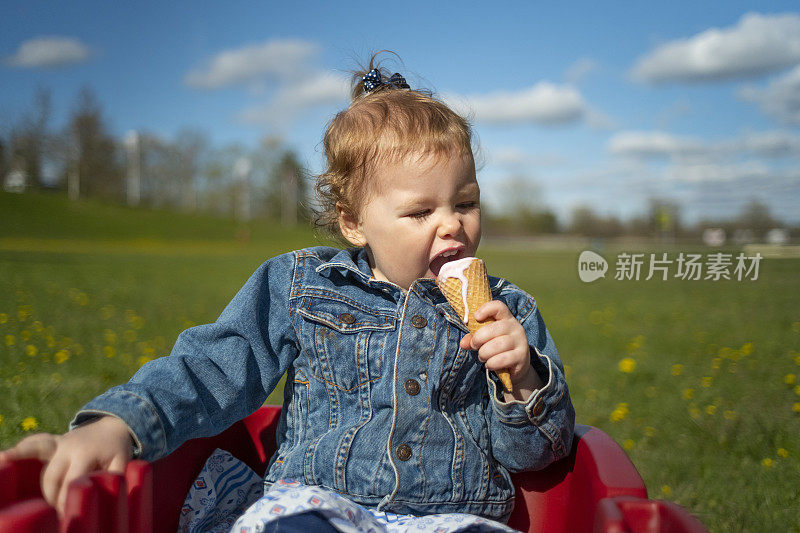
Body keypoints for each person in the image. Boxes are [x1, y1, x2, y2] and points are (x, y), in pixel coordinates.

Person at [0, 53, 574, 531]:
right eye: (420, 211)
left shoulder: (509, 312)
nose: (451, 225)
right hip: (319, 506)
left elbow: (537, 458)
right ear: (354, 223)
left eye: (465, 203)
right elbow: (212, 367)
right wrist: (119, 423)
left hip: (452, 519)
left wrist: (521, 380)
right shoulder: (302, 285)